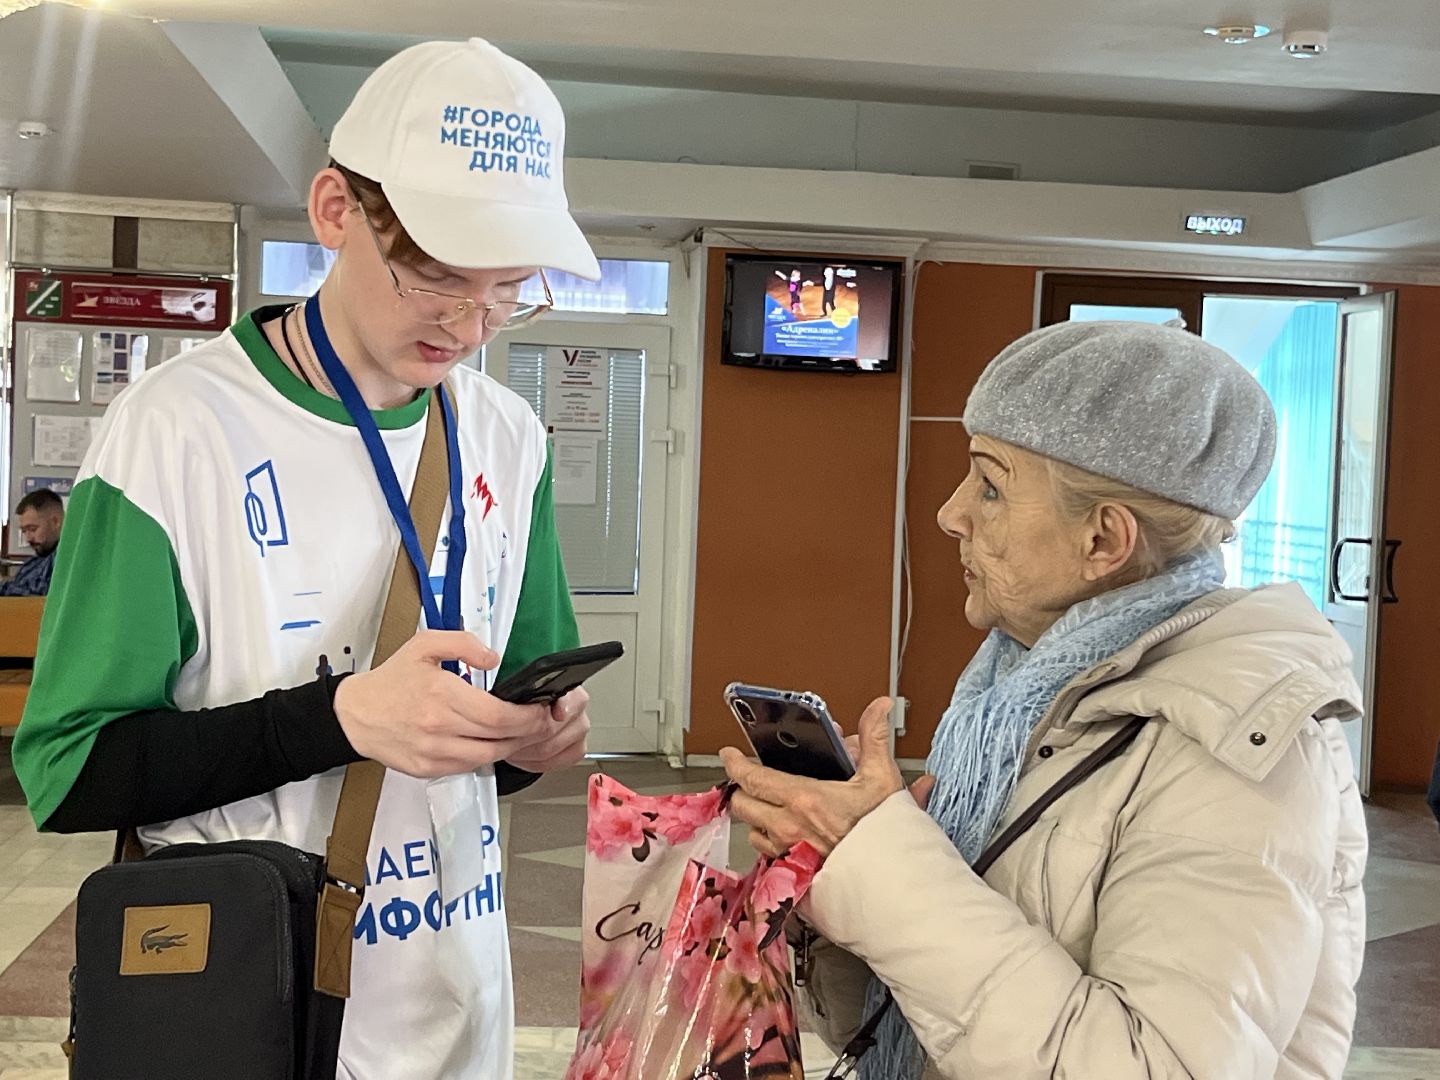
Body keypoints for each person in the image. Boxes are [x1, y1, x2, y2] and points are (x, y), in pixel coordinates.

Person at [15, 38, 599, 1080]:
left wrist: (527, 740)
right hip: (248, 1005)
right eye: (435, 277)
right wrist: (339, 718)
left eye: (508, 290)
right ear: (336, 210)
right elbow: (71, 772)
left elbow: (490, 746)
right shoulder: (174, 431)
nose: (468, 325)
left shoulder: (509, 437)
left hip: (458, 1001)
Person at [723, 321, 1368, 1080]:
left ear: (1103, 541)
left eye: (991, 486)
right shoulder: (1019, 699)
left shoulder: (1234, 755)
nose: (951, 513)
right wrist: (840, 874)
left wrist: (883, 863)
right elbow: (923, 1021)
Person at [0, 488, 64, 597]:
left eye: (32, 529)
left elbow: (40, 598)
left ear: (55, 522)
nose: (28, 538)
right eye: (24, 531)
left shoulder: (66, 558)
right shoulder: (31, 564)